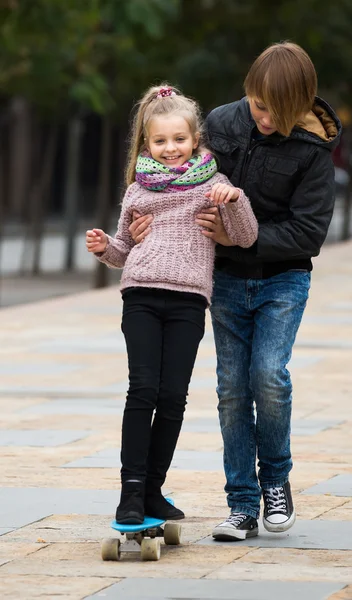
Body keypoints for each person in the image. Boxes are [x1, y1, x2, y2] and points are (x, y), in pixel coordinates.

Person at [129, 42, 342, 541]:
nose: (265, 118)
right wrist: (144, 229)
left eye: (278, 110)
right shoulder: (222, 124)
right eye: (258, 105)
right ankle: (242, 503)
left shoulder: (314, 149)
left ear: (303, 103)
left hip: (283, 278)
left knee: (268, 377)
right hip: (223, 278)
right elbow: (174, 182)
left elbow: (308, 232)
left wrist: (238, 235)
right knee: (231, 391)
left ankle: (276, 481)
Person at [85, 84, 258, 525]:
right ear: (147, 144)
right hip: (140, 295)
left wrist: (234, 201)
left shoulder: (215, 185)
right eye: (160, 141)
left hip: (188, 301)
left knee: (174, 397)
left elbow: (245, 235)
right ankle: (131, 492)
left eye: (178, 140)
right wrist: (107, 246)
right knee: (143, 389)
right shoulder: (139, 191)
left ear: (195, 140)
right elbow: (124, 250)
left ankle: (155, 490)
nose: (170, 149)